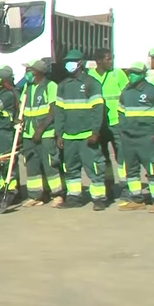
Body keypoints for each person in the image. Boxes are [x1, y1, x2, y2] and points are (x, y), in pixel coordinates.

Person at [55, 49, 107, 210]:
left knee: (94, 167)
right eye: (67, 61)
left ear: (81, 63)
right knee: (71, 169)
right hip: (69, 137)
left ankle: (99, 199)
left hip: (87, 136)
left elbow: (98, 110)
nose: (68, 64)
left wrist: (95, 132)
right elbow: (60, 112)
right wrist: (59, 134)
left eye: (72, 61)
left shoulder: (92, 83)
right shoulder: (63, 86)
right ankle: (74, 198)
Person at [115, 62, 154, 212]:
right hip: (129, 137)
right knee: (131, 170)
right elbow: (120, 112)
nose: (131, 75)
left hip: (147, 137)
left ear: (143, 74)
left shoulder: (153, 91)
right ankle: (136, 199)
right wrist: (122, 130)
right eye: (130, 73)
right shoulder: (126, 91)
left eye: (135, 73)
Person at [21, 59, 63, 207]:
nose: (27, 73)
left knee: (50, 164)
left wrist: (40, 129)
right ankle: (35, 196)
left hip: (45, 133)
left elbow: (53, 110)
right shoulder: (28, 87)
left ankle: (57, 194)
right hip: (28, 133)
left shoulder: (50, 86)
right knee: (32, 165)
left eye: (29, 70)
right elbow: (22, 108)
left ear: (37, 72)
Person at [88, 48, 129, 199]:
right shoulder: (89, 77)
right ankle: (109, 185)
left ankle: (126, 186)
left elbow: (127, 96)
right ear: (99, 61)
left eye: (111, 59)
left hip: (116, 122)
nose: (111, 62)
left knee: (122, 155)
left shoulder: (118, 74)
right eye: (108, 59)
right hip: (99, 126)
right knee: (103, 156)